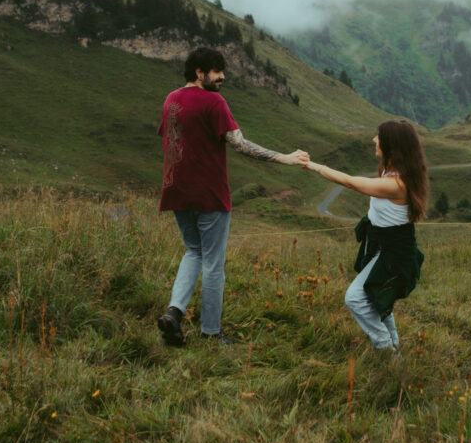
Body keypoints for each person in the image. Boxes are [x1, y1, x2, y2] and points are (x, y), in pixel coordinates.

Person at [157, 47, 307, 346]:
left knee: (193, 251)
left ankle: (174, 312)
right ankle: (211, 333)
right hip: (209, 194)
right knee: (213, 263)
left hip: (176, 191)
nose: (222, 76)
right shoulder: (214, 101)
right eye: (216, 71)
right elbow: (240, 145)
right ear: (199, 73)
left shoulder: (171, 99)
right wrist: (284, 158)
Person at [299, 120, 427, 352]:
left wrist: (313, 166)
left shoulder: (396, 184)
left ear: (391, 145)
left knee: (355, 298)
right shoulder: (393, 171)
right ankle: (394, 345)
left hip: (394, 250)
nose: (373, 140)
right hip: (382, 243)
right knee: (374, 293)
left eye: (378, 136)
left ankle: (386, 349)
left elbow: (350, 182)